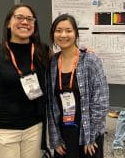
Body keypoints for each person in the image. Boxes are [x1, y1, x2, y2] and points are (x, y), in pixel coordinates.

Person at [0, 4, 50, 158]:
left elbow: (66, 60)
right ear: (8, 23)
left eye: (30, 19)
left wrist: (83, 53)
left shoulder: (43, 50)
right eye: (19, 17)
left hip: (34, 128)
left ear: (34, 26)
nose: (25, 22)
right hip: (3, 131)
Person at [47, 14, 109, 158]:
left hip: (87, 133)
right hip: (64, 134)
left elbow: (101, 102)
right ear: (53, 34)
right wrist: (55, 139)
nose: (63, 35)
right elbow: (51, 104)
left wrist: (91, 136)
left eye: (68, 30)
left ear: (75, 33)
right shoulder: (52, 63)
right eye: (58, 30)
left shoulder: (90, 60)